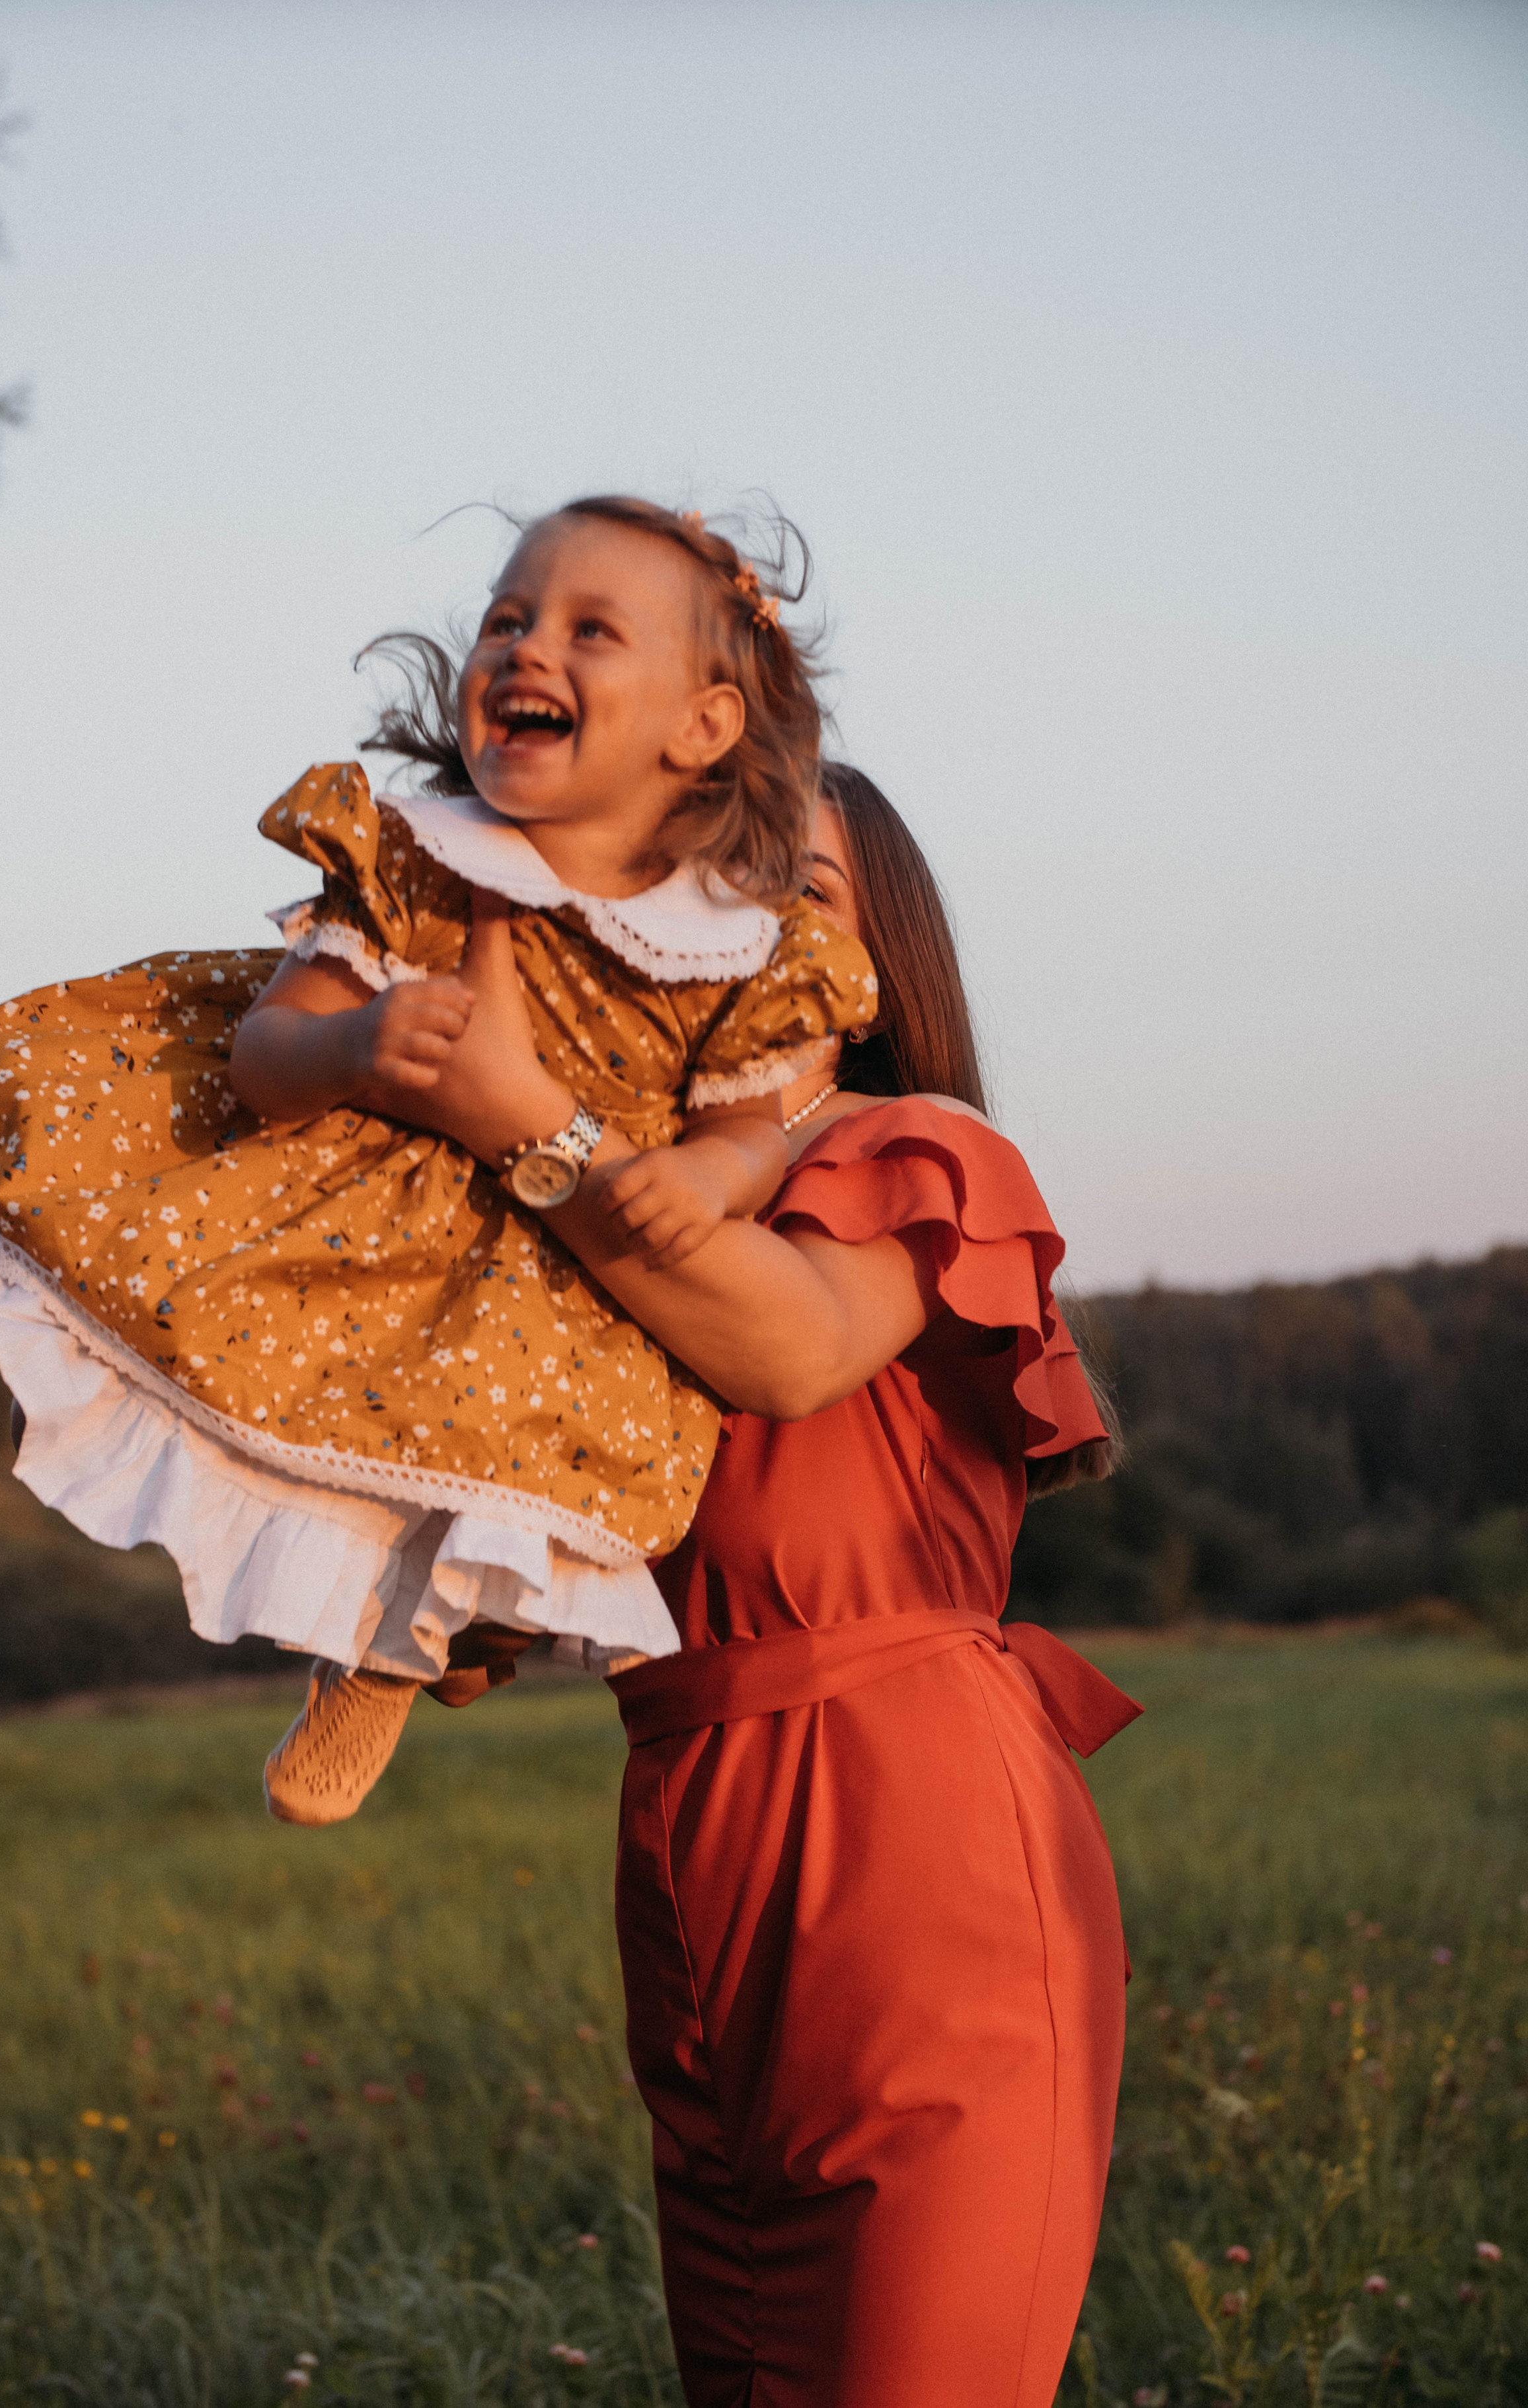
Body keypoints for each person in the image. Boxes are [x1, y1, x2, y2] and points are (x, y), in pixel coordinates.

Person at [0, 499, 877, 1823]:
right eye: (506, 618)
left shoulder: (730, 939)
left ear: (701, 726)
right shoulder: (418, 862)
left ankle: (380, 1662)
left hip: (554, 1240)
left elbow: (748, 1122)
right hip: (367, 1193)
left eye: (588, 629)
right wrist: (360, 1047)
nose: (524, 647)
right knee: (197, 1292)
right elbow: (266, 1053)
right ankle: (133, 1439)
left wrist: (708, 1181)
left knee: (504, 1448)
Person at [391, 758, 1139, 2408]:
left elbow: (792, 1350)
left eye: (795, 893)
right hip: (691, 1849)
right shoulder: (621, 1224)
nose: (741, 933)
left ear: (883, 960)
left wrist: (527, 1113)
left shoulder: (924, 1150)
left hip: (913, 1838)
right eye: (691, 896)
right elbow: (614, 1527)